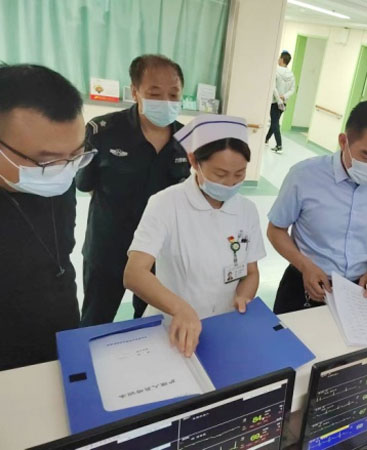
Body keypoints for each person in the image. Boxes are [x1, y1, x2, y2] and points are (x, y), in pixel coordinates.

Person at [124, 115, 266, 357]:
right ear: (193, 161)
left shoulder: (246, 210)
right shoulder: (166, 203)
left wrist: (244, 295)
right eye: (220, 174)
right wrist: (180, 308)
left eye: (239, 174)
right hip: (173, 327)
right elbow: (134, 274)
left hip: (224, 326)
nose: (230, 183)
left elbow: (251, 273)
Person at [76, 54, 190, 326]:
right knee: (95, 320)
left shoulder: (187, 139)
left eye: (174, 94)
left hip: (159, 252)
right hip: (108, 248)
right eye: (155, 93)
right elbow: (85, 184)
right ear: (135, 92)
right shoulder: (103, 131)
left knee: (151, 322)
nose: (166, 102)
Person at [267, 99, 367, 314]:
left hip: (358, 289)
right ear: (343, 141)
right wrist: (305, 265)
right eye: (366, 155)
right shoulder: (304, 176)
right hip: (305, 283)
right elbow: (276, 230)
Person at [0, 64, 96, 370]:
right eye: (46, 162)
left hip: (60, 329)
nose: (63, 171)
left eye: (76, 155)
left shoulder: (60, 177)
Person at [265, 51, 296, 153]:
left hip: (275, 102)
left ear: (282, 59)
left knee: (275, 123)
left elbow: (273, 88)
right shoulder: (291, 75)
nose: (278, 59)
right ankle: (266, 139)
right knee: (275, 121)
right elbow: (292, 89)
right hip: (283, 103)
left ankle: (279, 146)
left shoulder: (276, 71)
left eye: (279, 58)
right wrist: (284, 97)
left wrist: (278, 99)